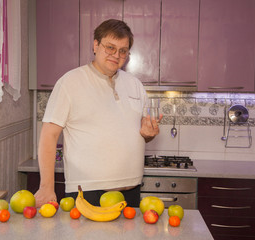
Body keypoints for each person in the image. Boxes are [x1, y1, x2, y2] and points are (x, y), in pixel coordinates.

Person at [34, 19, 162, 208]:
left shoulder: (135, 85)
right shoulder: (70, 82)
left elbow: (141, 135)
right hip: (88, 192)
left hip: (132, 191)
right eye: (110, 47)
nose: (116, 55)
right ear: (95, 45)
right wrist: (46, 186)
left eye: (123, 50)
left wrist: (148, 134)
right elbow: (48, 135)